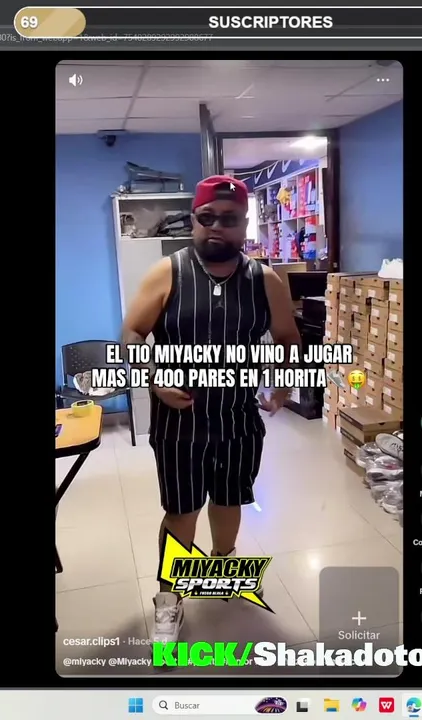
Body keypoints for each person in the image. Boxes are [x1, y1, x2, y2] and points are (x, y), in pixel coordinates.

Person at [120, 174, 302, 643]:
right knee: (182, 510)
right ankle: (169, 598)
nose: (217, 227)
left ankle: (223, 566)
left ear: (245, 224)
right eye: (207, 218)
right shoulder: (168, 273)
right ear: (193, 220)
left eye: (229, 219)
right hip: (179, 421)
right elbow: (132, 334)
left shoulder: (265, 281)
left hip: (239, 418)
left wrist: (283, 385)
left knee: (229, 499)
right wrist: (155, 379)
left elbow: (287, 338)